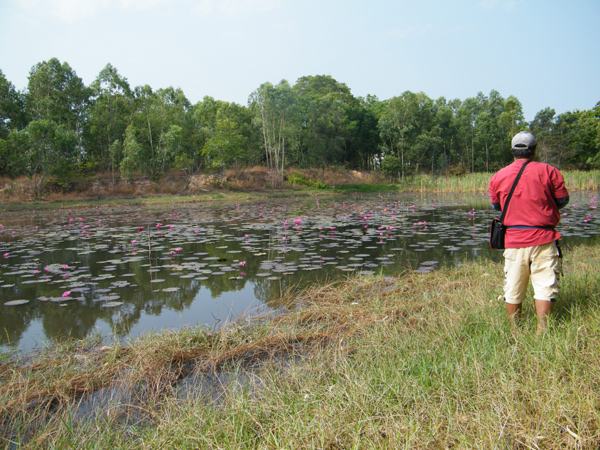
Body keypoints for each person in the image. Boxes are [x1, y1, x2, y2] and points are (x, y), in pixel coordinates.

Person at [489, 131, 569, 334]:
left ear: (513, 151)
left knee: (513, 286)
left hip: (514, 240)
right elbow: (562, 200)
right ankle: (542, 331)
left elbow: (496, 206)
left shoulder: (498, 176)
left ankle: (515, 330)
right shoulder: (550, 171)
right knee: (545, 284)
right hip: (544, 238)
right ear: (534, 151)